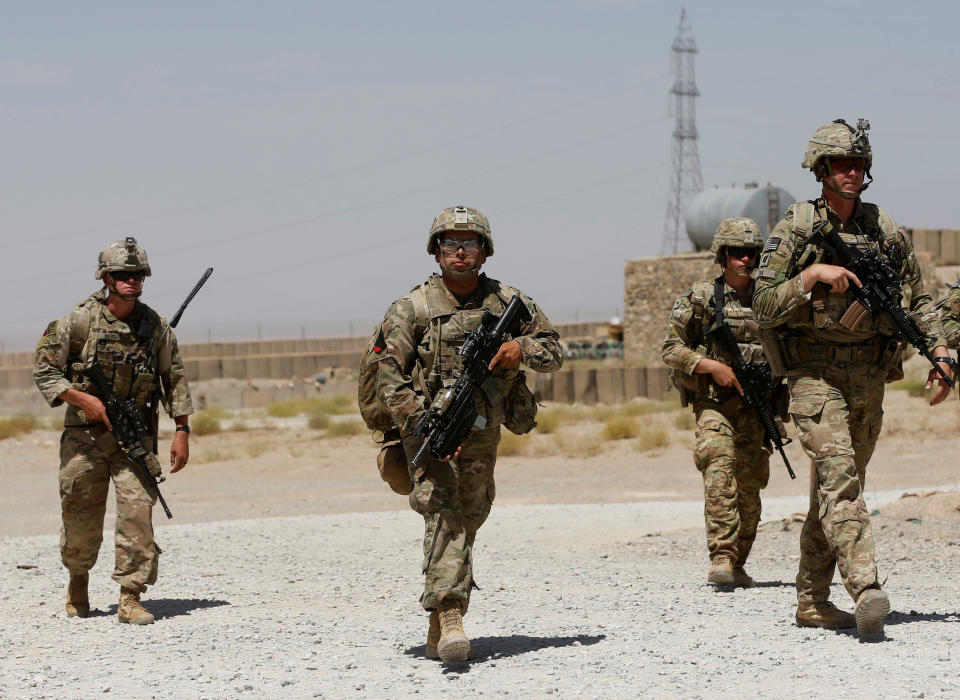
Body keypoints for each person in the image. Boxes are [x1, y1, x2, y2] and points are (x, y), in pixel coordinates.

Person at [753, 118, 952, 637]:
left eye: (859, 164)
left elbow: (918, 299)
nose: (851, 172)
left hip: (867, 377)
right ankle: (866, 588)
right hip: (813, 374)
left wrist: (941, 352)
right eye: (841, 164)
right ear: (820, 170)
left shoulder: (882, 229)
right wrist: (809, 277)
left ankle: (812, 601)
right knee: (840, 479)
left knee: (837, 486)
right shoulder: (797, 228)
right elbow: (762, 305)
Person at [372, 206, 562, 661]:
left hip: (482, 429)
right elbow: (387, 374)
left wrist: (521, 347)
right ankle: (452, 612)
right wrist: (422, 423)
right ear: (436, 251)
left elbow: (554, 351)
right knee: (444, 512)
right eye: (450, 243)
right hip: (430, 428)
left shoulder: (509, 302)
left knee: (472, 513)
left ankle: (438, 620)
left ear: (484, 251)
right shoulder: (411, 308)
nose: (459, 251)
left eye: (470, 243)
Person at [34, 238, 193, 625]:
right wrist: (83, 400)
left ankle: (130, 596)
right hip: (84, 439)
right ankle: (78, 580)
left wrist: (182, 430)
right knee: (80, 514)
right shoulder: (78, 322)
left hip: (134, 439)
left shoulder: (155, 327)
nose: (132, 281)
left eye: (138, 274)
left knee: (138, 512)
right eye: (123, 274)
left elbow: (173, 379)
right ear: (106, 278)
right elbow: (44, 370)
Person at [662, 217, 773, 588]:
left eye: (752, 253)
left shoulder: (768, 299)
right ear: (722, 256)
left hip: (758, 407)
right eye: (738, 253)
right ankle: (722, 557)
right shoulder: (701, 298)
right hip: (714, 403)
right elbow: (671, 348)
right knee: (718, 469)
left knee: (751, 484)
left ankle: (739, 559)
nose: (746, 259)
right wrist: (709, 365)